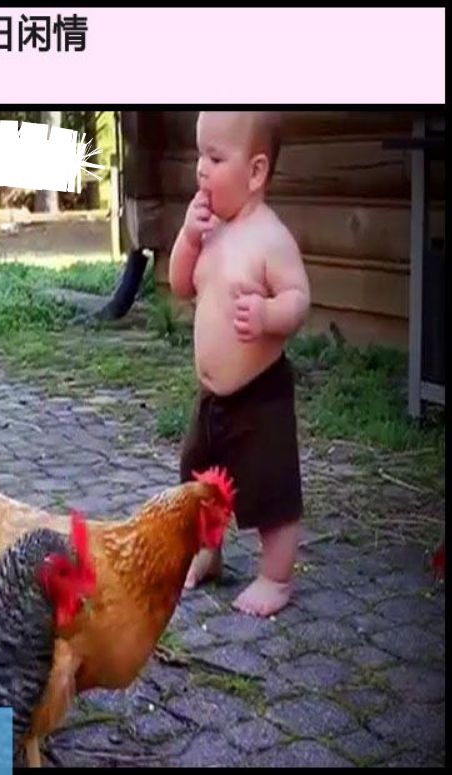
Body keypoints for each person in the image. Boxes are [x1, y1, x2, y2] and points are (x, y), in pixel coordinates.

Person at [168, 111, 311, 617]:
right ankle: (208, 552)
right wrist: (188, 239)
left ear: (255, 172)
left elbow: (299, 299)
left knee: (270, 486)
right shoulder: (211, 231)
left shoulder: (270, 238)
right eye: (199, 155)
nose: (201, 169)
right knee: (200, 481)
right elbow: (180, 285)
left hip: (259, 395)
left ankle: (276, 576)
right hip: (211, 398)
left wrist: (269, 314)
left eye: (215, 157)